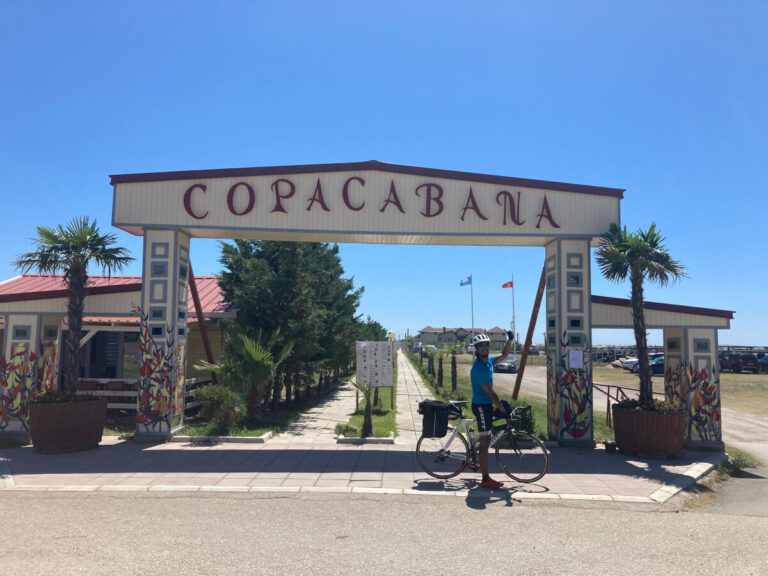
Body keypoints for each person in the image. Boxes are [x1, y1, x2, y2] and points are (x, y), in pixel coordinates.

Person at [469, 330, 514, 489]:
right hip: (481, 406)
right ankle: (485, 478)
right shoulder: (479, 368)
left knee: (486, 440)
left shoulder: (488, 361)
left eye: (486, 345)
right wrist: (501, 408)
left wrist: (510, 340)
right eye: (481, 346)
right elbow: (491, 393)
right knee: (485, 442)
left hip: (487, 405)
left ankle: (472, 457)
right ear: (476, 349)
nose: (484, 348)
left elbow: (504, 355)